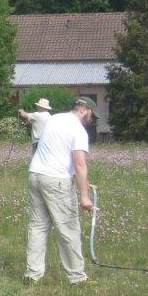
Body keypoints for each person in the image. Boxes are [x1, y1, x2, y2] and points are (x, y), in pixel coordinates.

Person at [24, 97, 98, 285]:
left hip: (36, 174)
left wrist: (85, 182)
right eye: (91, 114)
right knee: (68, 228)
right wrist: (84, 197)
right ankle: (77, 278)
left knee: (38, 226)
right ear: (84, 109)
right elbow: (79, 163)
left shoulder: (55, 119)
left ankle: (32, 276)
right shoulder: (78, 130)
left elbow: (57, 151)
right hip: (56, 181)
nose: (91, 119)